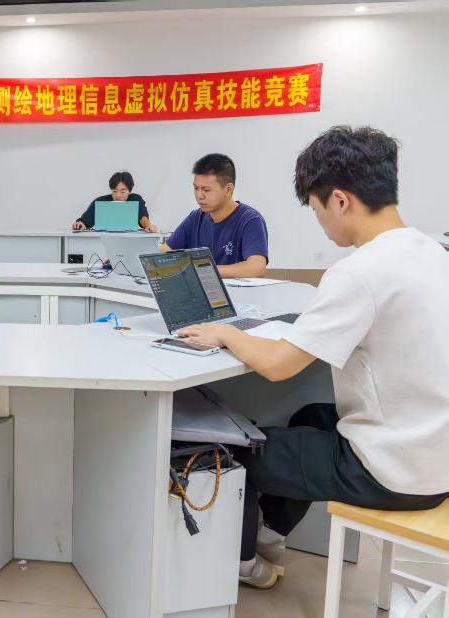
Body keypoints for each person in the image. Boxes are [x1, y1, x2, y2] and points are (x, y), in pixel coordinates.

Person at [177, 126, 449, 589]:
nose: (319, 220)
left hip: (393, 473)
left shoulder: (358, 272)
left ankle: (243, 564)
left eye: (316, 207)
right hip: (436, 451)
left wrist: (225, 333)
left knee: (238, 453)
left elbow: (278, 365)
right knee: (310, 416)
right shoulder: (432, 251)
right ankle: (271, 532)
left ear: (339, 200)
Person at [160, 154, 269, 278]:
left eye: (206, 190)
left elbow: (256, 268)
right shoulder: (195, 218)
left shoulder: (250, 220)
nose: (199, 195)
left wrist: (203, 270)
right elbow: (165, 251)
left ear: (228, 189)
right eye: (196, 188)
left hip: (233, 290)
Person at [72, 170, 158, 232]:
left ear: (129, 191)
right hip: (104, 239)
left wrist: (149, 226)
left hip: (129, 240)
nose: (118, 195)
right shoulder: (101, 202)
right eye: (114, 191)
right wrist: (80, 223)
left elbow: (143, 218)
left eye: (122, 192)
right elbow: (85, 221)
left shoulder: (136, 199)